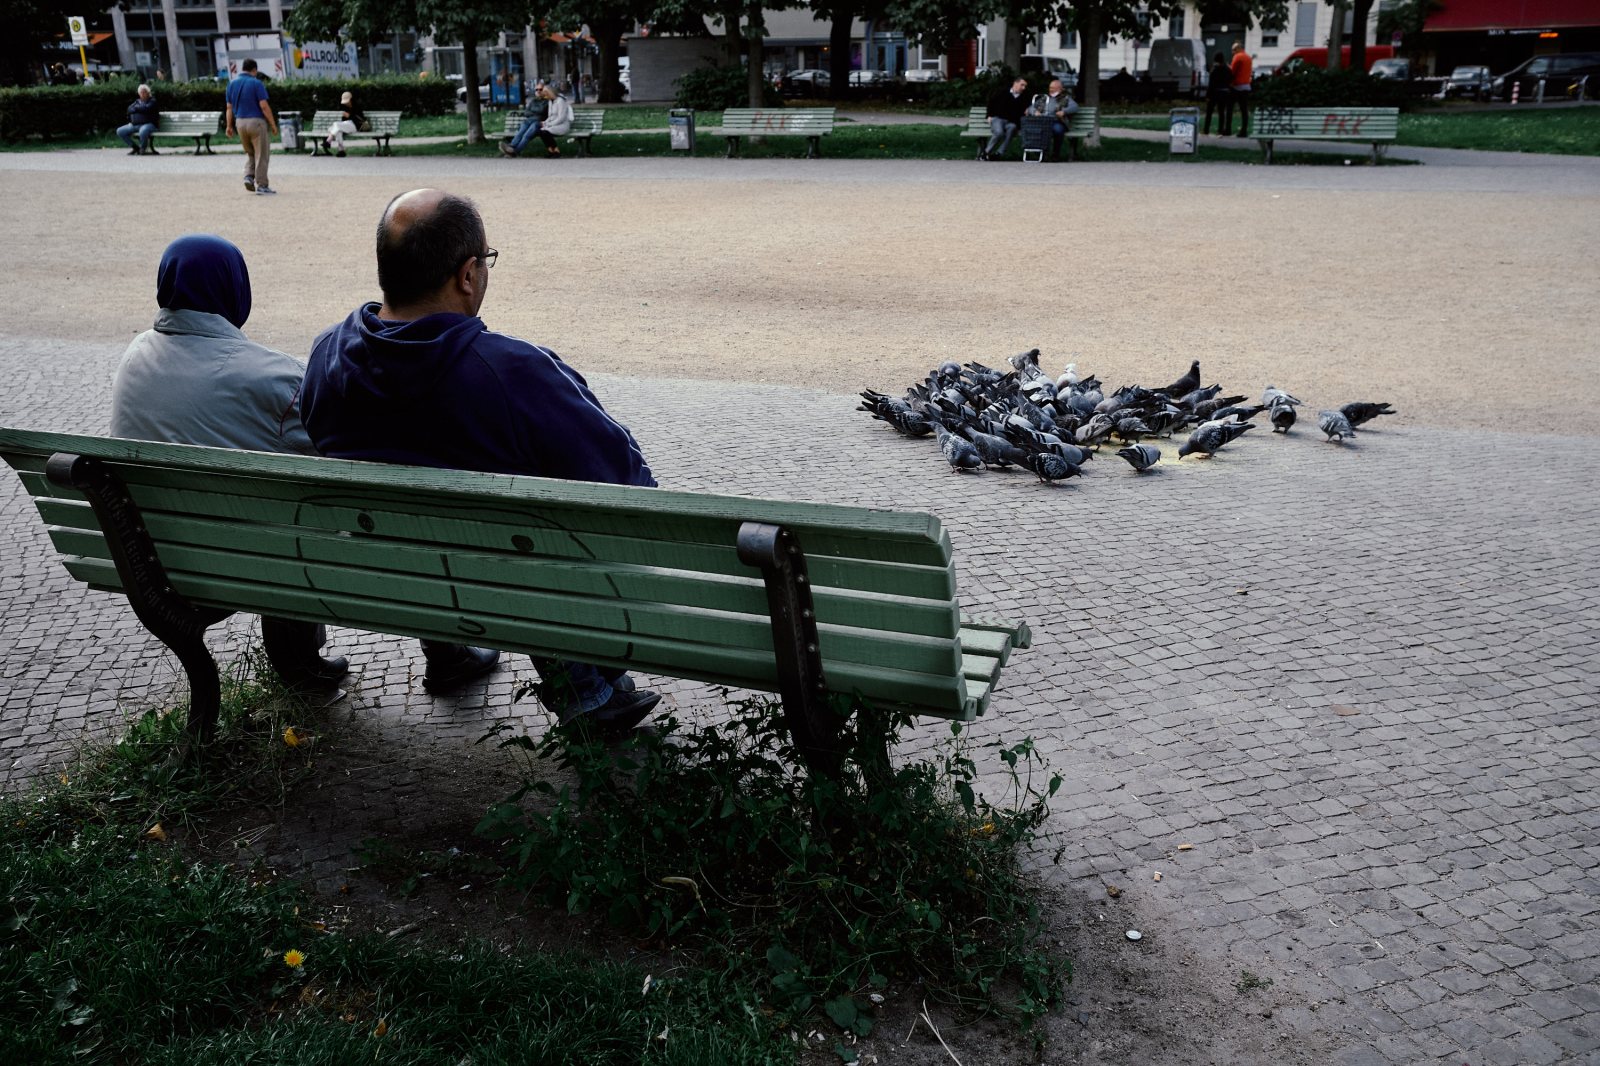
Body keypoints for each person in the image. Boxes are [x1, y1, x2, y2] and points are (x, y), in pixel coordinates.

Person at [299, 190, 660, 732]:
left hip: (387, 575)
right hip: (505, 580)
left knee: (444, 527)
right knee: (542, 535)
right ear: (468, 274)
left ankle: (451, 652)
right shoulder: (511, 371)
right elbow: (628, 484)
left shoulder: (327, 354)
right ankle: (585, 689)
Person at [108, 235, 348, 693]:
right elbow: (331, 454)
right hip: (249, 562)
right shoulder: (270, 374)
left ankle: (297, 662)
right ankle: (299, 659)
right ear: (235, 288)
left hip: (155, 561)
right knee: (295, 511)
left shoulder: (134, 357)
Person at [225, 59, 279, 195]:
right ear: (254, 70)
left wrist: (229, 126)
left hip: (240, 122)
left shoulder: (231, 84)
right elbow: (264, 106)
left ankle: (249, 176)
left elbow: (229, 108)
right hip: (256, 122)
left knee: (250, 152)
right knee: (261, 154)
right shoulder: (256, 83)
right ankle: (262, 185)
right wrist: (273, 124)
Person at [1028, 77, 1079, 161]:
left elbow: (1075, 107)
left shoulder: (1065, 98)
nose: (1050, 89)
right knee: (1039, 130)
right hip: (1043, 121)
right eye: (1050, 87)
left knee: (1058, 130)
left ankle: (1056, 154)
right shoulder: (1044, 98)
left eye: (1052, 88)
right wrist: (1035, 112)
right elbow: (1031, 107)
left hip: (1057, 121)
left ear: (1059, 88)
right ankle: (1042, 154)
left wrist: (1064, 112)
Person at [499, 77, 549, 157]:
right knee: (520, 133)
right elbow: (526, 112)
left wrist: (532, 111)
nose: (538, 91)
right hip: (528, 121)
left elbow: (541, 110)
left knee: (526, 136)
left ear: (545, 90)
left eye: (540, 89)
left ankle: (513, 151)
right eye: (537, 89)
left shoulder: (547, 101)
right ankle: (511, 147)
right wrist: (534, 111)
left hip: (539, 123)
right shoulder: (533, 101)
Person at [983, 76, 1029, 161]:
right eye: (1022, 85)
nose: (1023, 88)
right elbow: (991, 103)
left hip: (1011, 122)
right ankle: (986, 152)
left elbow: (1024, 112)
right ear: (1015, 83)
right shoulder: (1002, 92)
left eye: (1025, 86)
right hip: (998, 118)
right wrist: (989, 115)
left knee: (1012, 128)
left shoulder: (1024, 97)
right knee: (999, 132)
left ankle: (999, 153)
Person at [117, 83, 160, 156]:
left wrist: (136, 108)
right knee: (120, 131)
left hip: (150, 124)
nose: (143, 94)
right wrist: (138, 108)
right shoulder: (137, 102)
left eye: (144, 92)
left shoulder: (152, 101)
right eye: (141, 92)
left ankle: (142, 148)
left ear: (148, 93)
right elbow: (129, 109)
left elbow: (146, 109)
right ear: (139, 94)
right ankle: (135, 148)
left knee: (143, 130)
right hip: (136, 124)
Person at [530, 85, 572, 157]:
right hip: (553, 125)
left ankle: (556, 151)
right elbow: (550, 116)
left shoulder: (560, 101)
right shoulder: (550, 101)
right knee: (541, 131)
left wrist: (550, 124)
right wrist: (545, 122)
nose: (545, 94)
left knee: (545, 132)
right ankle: (551, 151)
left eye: (546, 92)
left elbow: (561, 118)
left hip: (562, 125)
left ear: (551, 92)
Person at [323, 89, 365, 156]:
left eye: (347, 102)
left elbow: (360, 120)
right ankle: (341, 151)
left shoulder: (357, 107)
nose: (346, 103)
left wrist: (349, 116)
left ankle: (329, 140)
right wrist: (346, 117)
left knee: (336, 125)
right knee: (338, 130)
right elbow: (344, 121)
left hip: (355, 126)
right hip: (347, 126)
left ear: (351, 100)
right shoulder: (345, 108)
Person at [1203, 52, 1233, 135]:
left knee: (1209, 112)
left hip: (1214, 93)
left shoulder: (1214, 70)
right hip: (1224, 92)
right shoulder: (1228, 69)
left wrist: (1208, 95)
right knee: (1221, 112)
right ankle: (1220, 130)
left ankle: (1206, 129)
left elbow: (1211, 84)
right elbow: (1231, 79)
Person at [1230, 42, 1253, 137]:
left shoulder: (1237, 57)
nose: (1232, 52)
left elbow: (1233, 72)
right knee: (1244, 110)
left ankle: (1227, 129)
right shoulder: (1248, 57)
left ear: (1238, 48)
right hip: (1246, 86)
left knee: (1229, 108)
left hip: (1237, 86)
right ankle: (1244, 130)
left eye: (1234, 50)